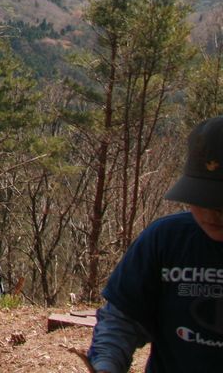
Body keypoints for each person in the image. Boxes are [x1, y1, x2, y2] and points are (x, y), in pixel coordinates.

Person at [88, 115, 223, 372]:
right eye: (202, 199)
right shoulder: (166, 239)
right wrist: (106, 363)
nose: (212, 214)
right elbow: (122, 320)